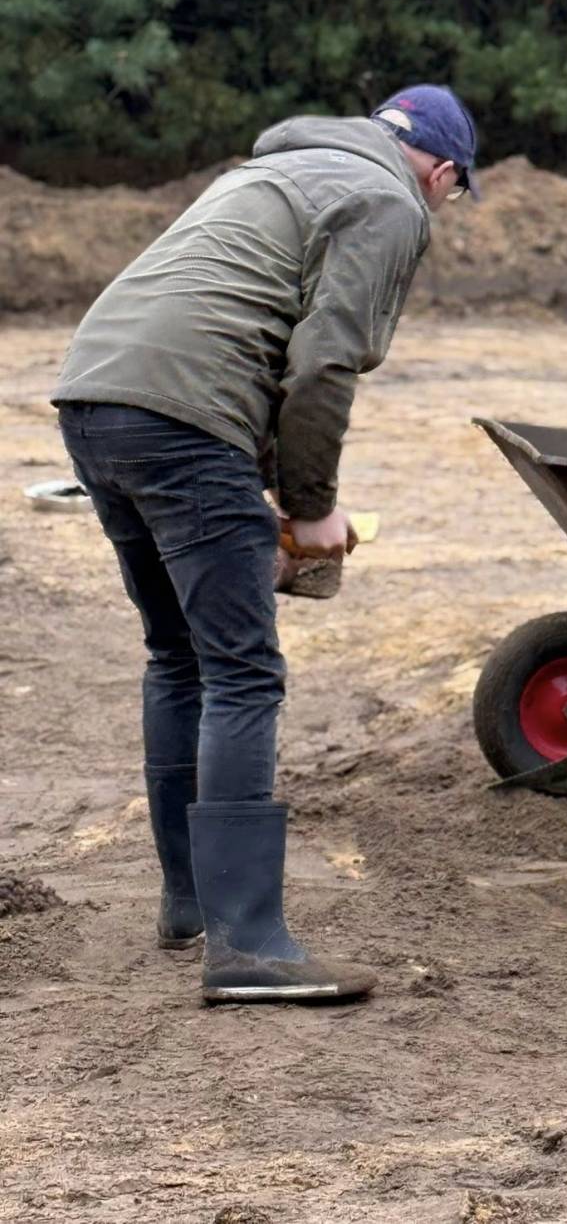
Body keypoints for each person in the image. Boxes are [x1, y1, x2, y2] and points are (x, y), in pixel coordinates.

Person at [52, 84, 478, 1003]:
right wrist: (311, 507)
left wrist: (269, 500)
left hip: (93, 396)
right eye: (452, 191)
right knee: (242, 672)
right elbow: (321, 363)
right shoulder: (389, 201)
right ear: (443, 174)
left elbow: (232, 327)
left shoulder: (270, 170)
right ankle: (248, 945)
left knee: (178, 655)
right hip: (185, 418)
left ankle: (190, 903)